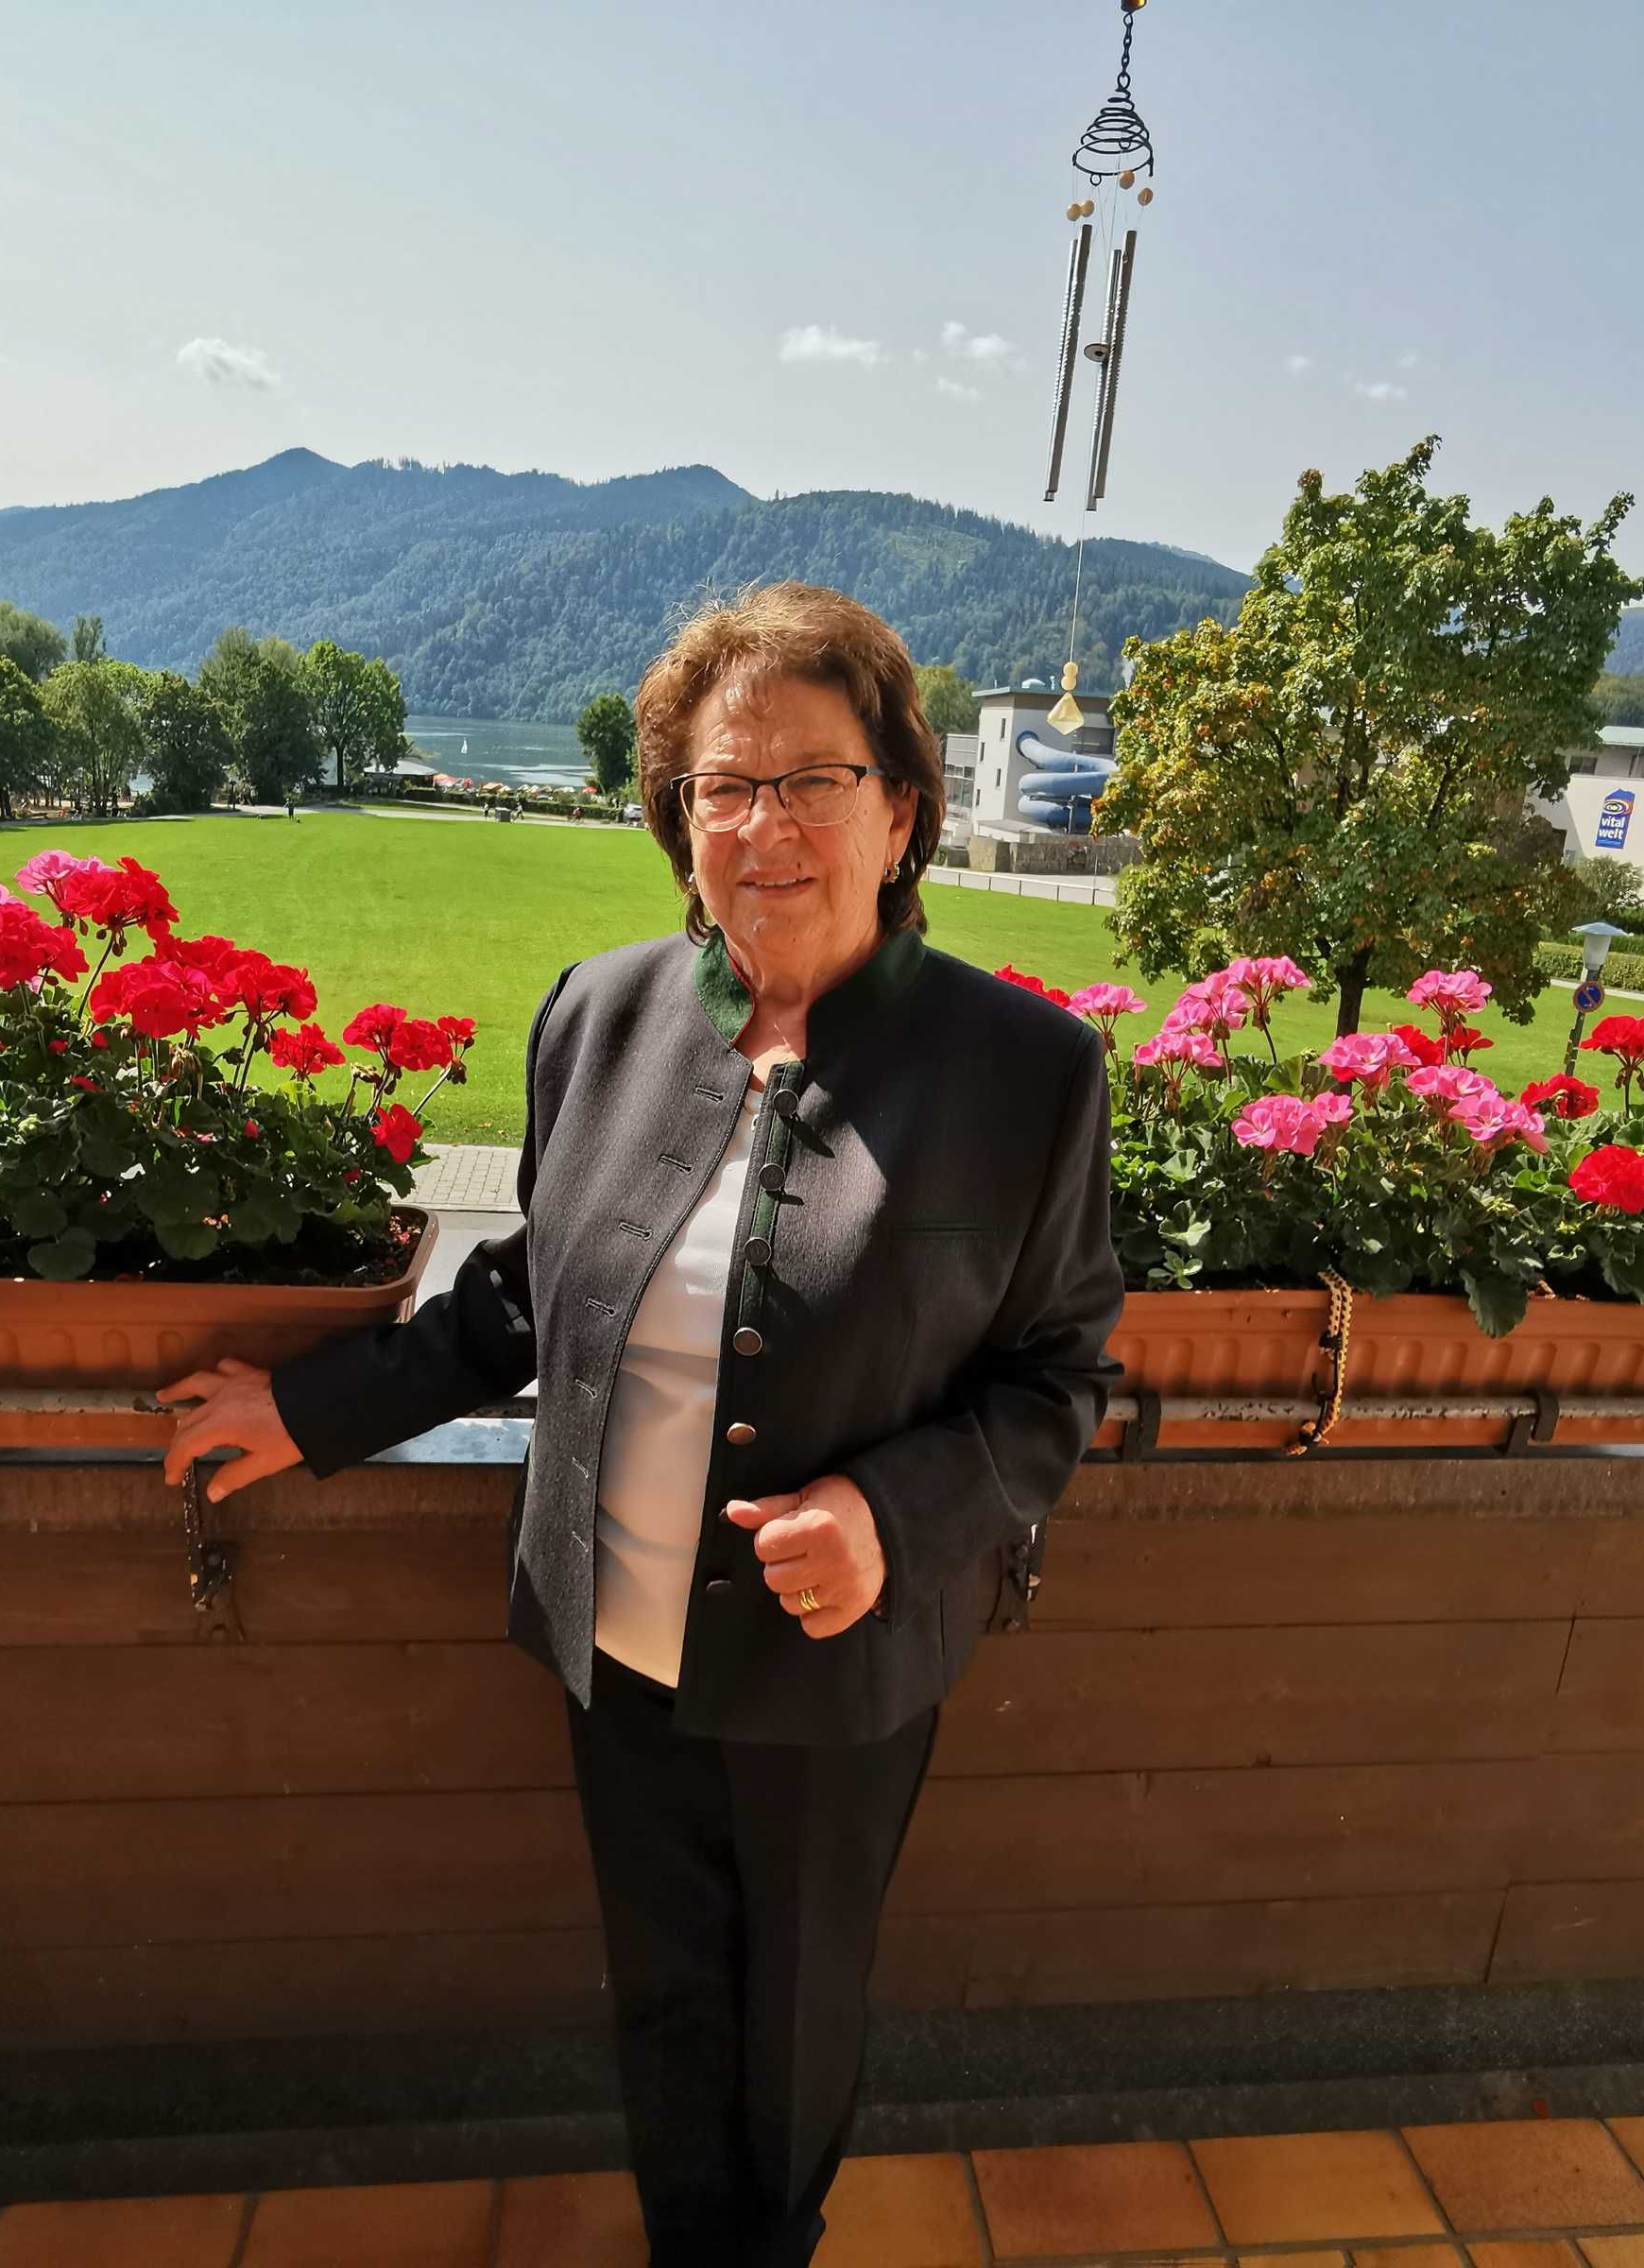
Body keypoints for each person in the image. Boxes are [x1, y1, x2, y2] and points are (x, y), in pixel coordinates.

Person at [163, 580, 1122, 2267]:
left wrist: (893, 1516)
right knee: (666, 1991)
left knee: (798, 2006)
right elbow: (528, 1294)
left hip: (835, 1662)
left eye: (812, 779)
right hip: (613, 1633)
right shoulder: (598, 1016)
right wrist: (309, 1408)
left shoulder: (1025, 1069)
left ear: (903, 811)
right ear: (678, 822)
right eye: (721, 785)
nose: (764, 824)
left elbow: (1059, 1379)